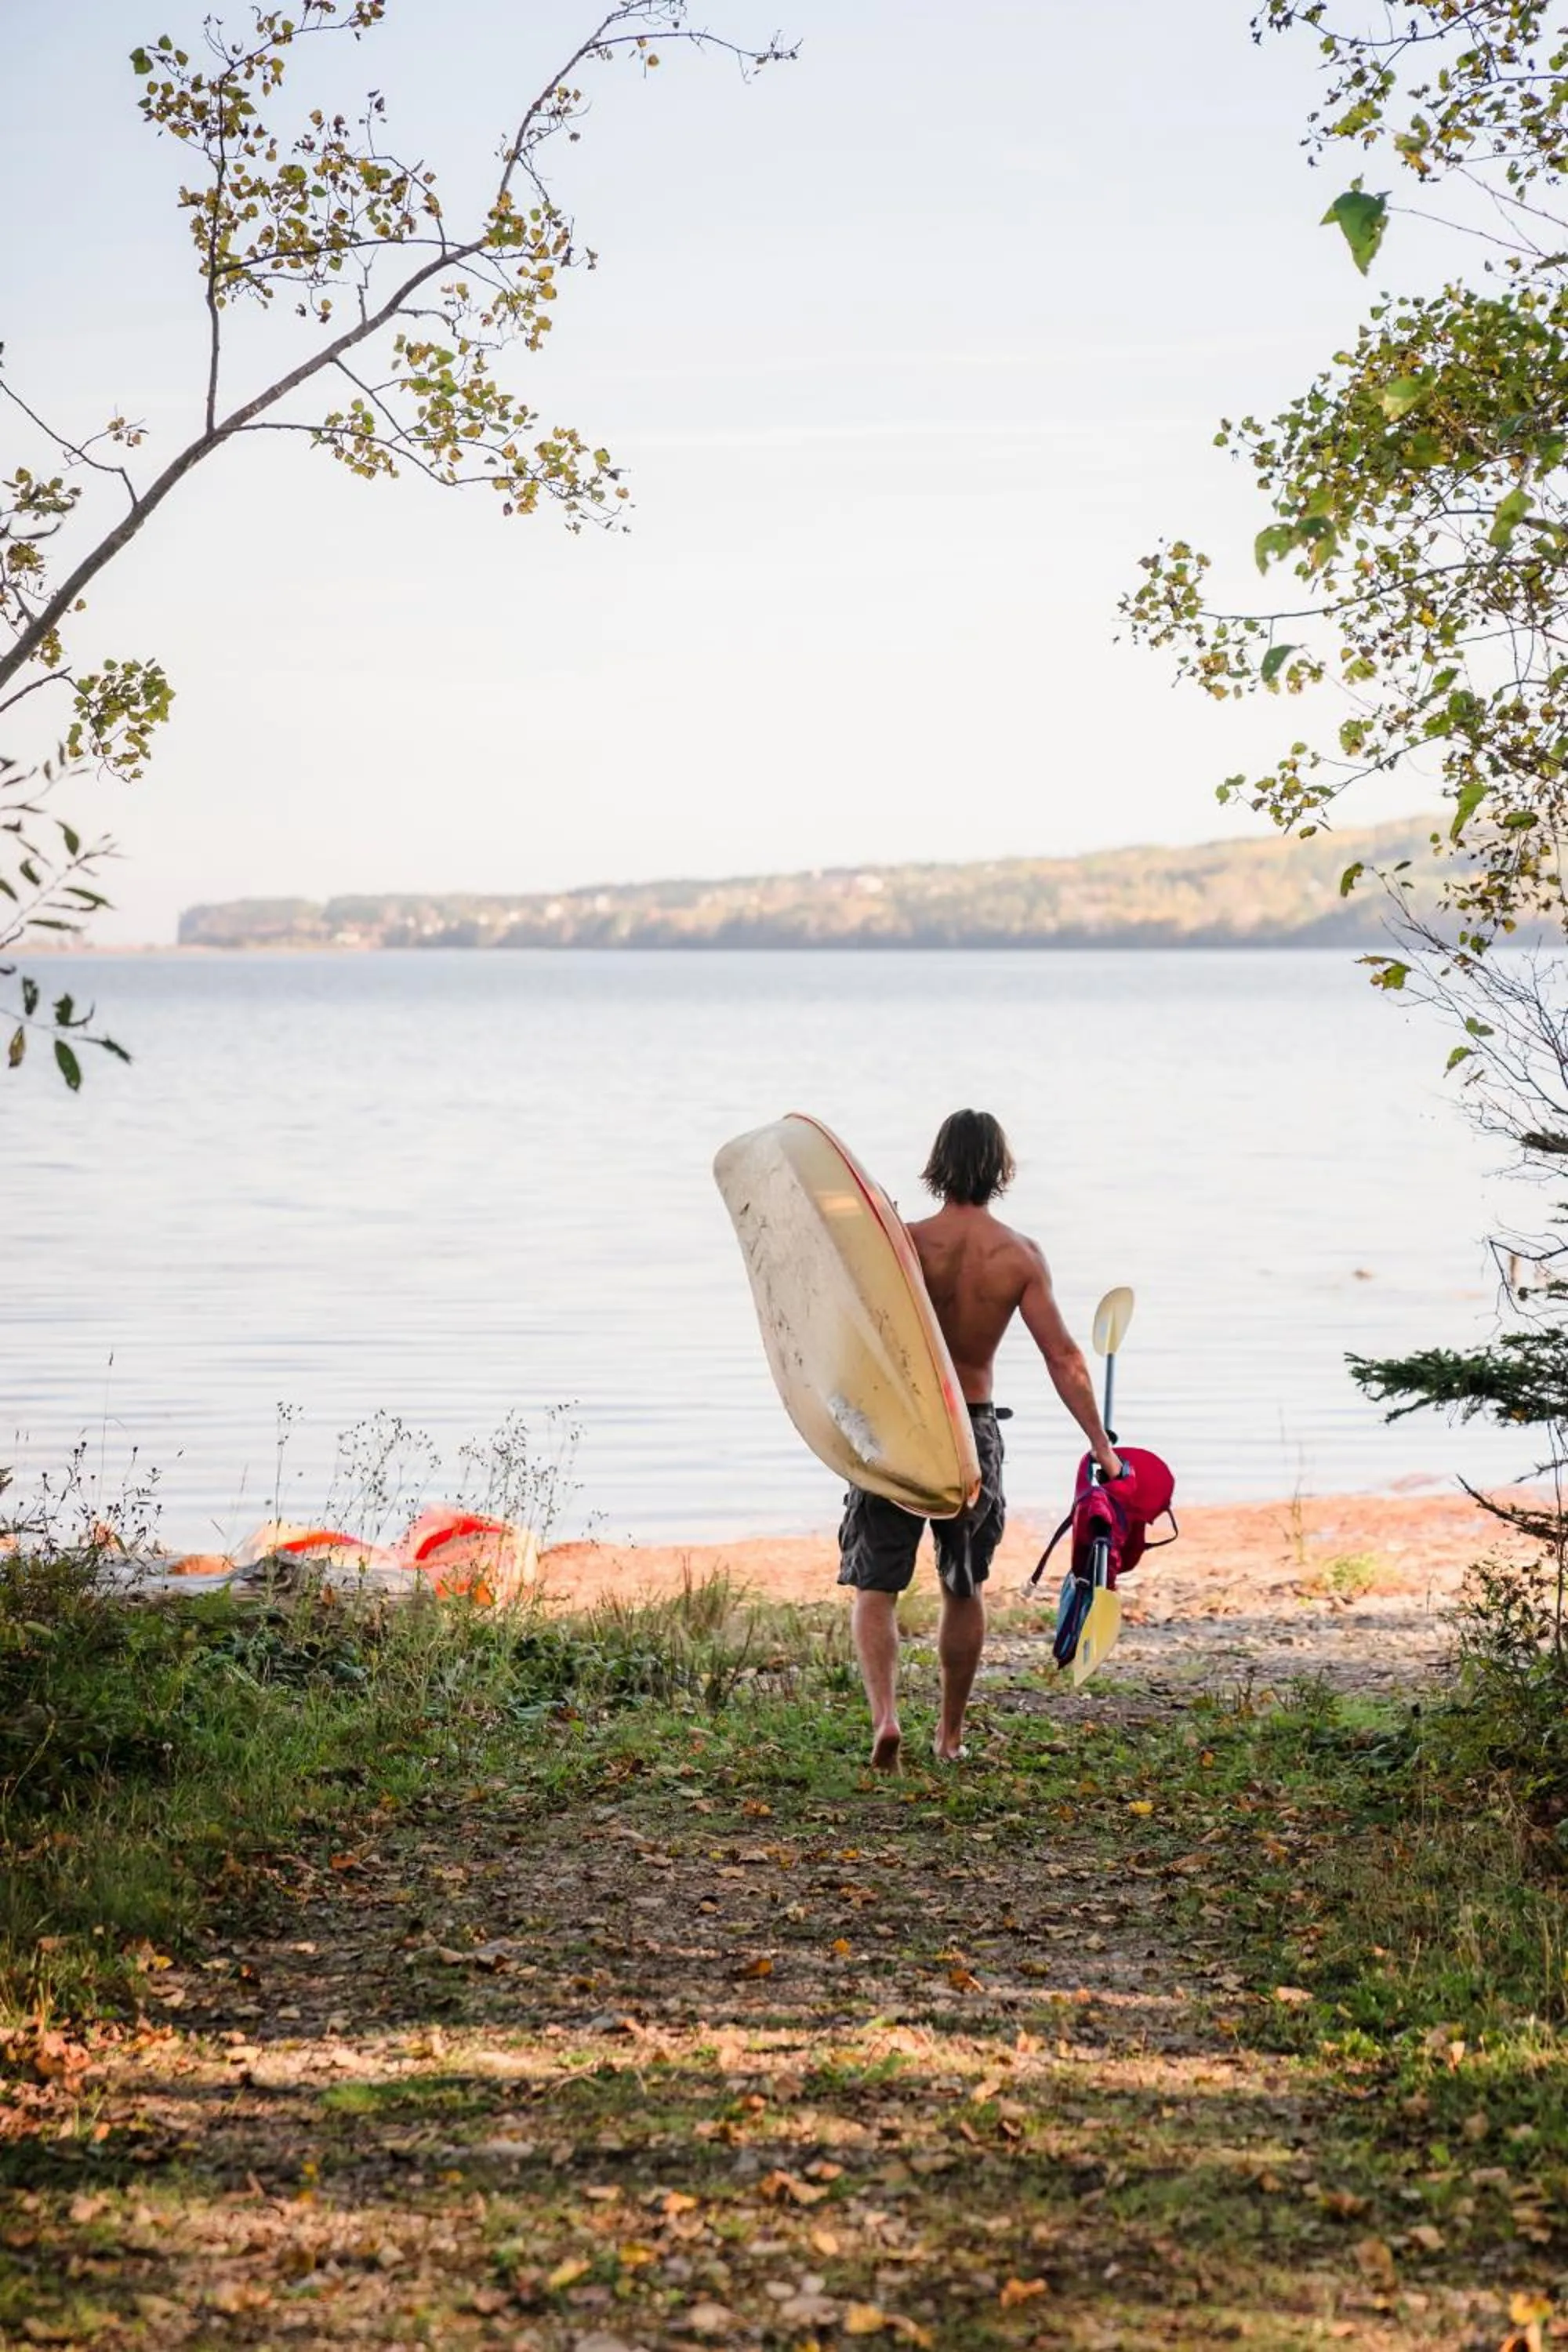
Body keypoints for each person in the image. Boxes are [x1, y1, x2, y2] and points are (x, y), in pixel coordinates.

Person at [838, 1108, 1123, 1770]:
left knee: (875, 1587)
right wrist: (1102, 1448)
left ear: (938, 1164)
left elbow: (851, 1335)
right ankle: (949, 1736)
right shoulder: (1017, 1255)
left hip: (898, 1429)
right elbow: (1064, 1359)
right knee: (962, 1586)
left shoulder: (903, 1245)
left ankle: (886, 1719)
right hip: (970, 1426)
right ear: (1000, 1169)